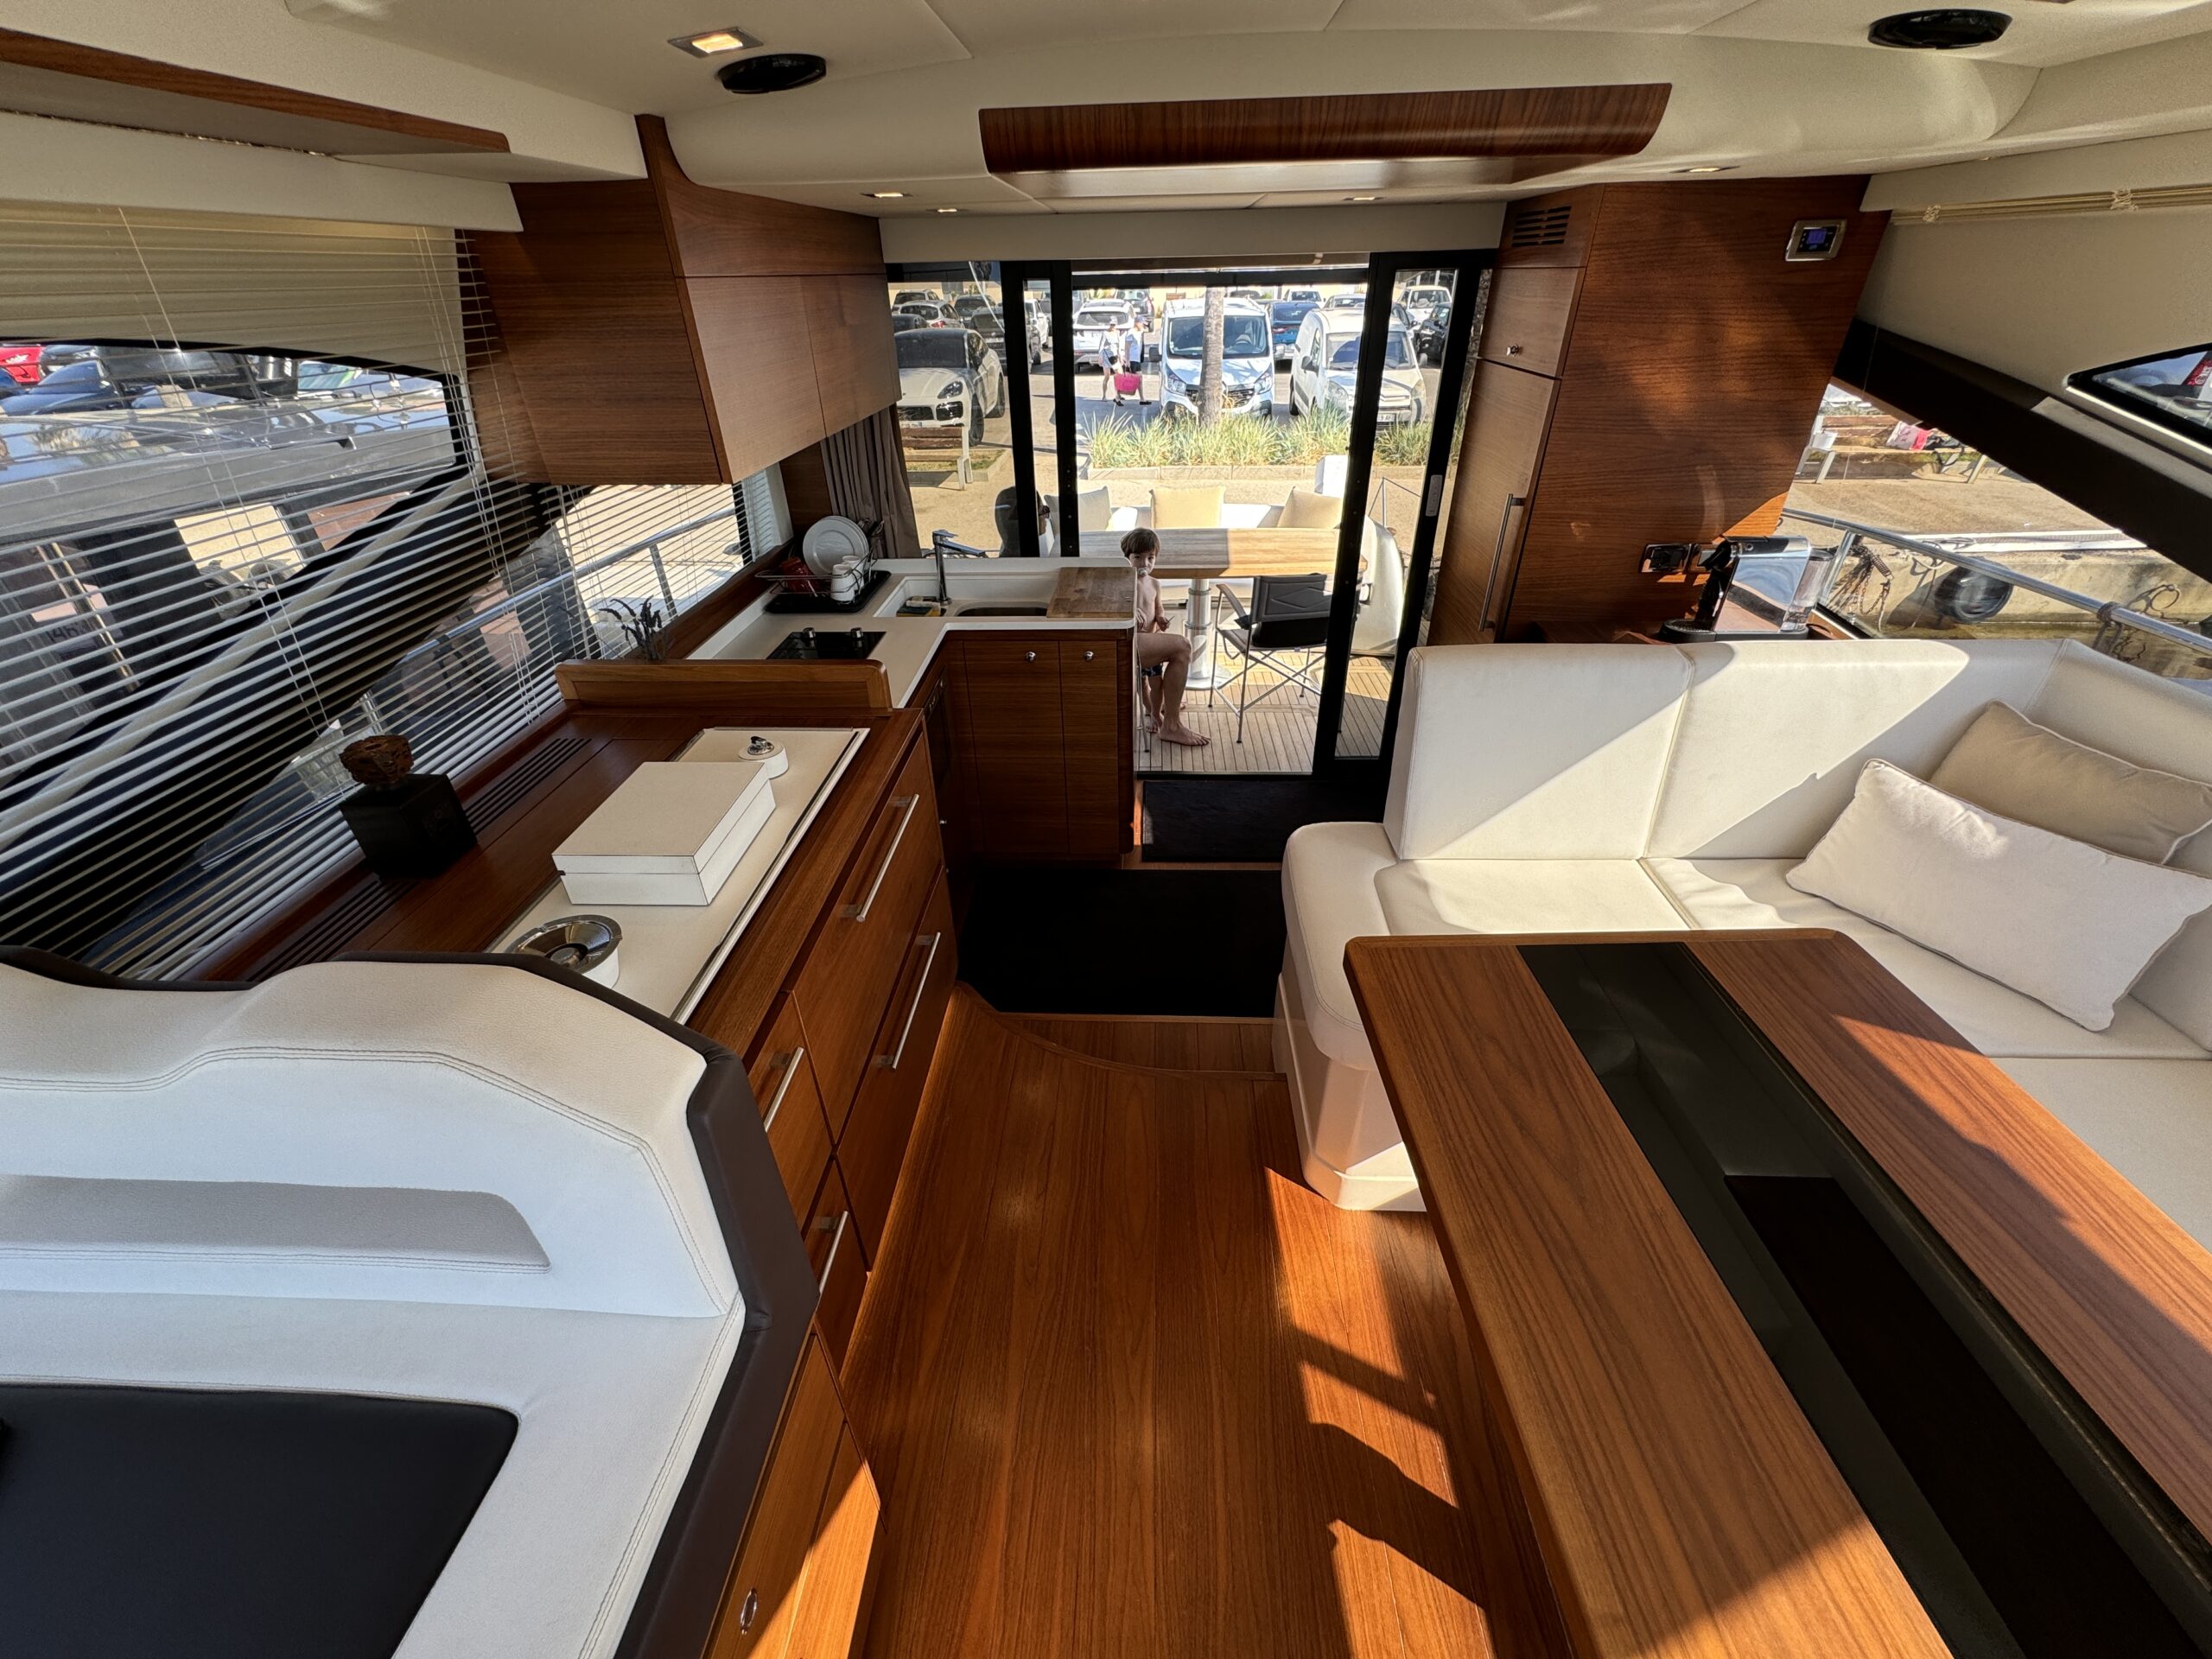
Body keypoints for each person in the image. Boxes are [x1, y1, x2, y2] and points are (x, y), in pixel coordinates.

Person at [1123, 527, 1208, 747]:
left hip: (1151, 639)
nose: (1144, 563)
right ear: (1127, 558)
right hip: (1136, 642)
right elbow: (1114, 602)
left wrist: (1161, 619)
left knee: (1156, 683)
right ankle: (1156, 714)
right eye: (1138, 557)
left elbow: (1158, 607)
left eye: (1150, 558)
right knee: (1144, 683)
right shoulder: (1125, 582)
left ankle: (1163, 709)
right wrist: (1129, 609)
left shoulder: (1155, 583)